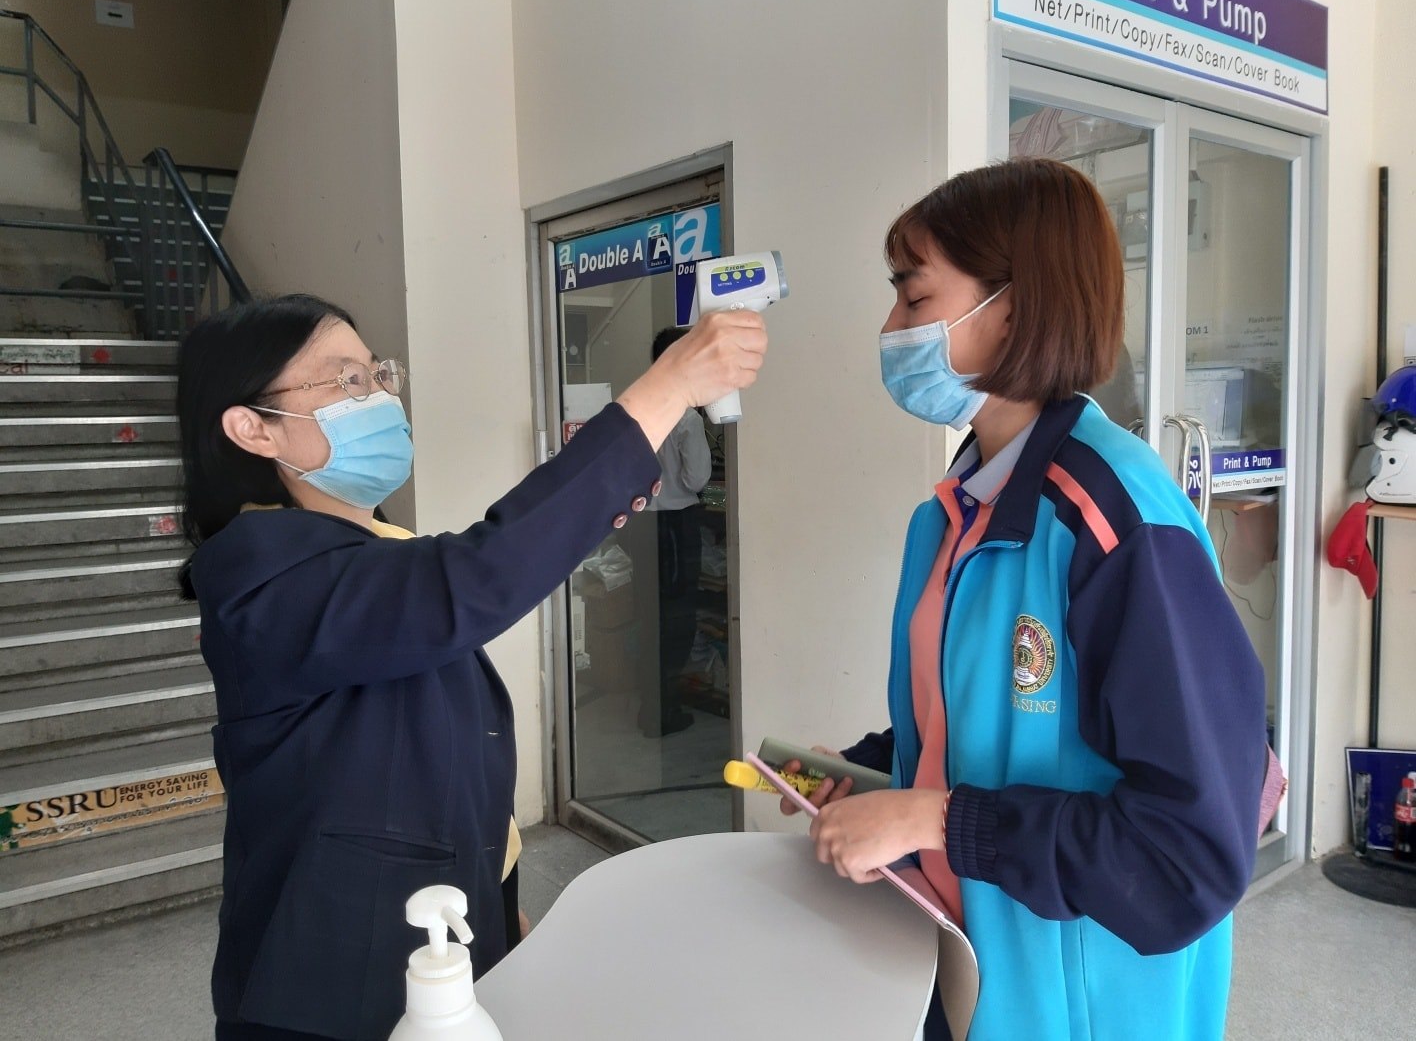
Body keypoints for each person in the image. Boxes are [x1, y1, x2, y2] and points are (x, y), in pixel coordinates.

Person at [177, 293, 766, 1041]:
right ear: (252, 428)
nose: (380, 397)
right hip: (331, 982)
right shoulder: (258, 573)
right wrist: (668, 386)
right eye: (348, 380)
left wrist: (494, 904)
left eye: (379, 375)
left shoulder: (373, 546)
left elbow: (432, 760)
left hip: (442, 933)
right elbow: (478, 577)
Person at [782, 158, 1266, 1041]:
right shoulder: (955, 511)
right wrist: (872, 774)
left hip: (1082, 1008)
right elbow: (986, 723)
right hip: (967, 961)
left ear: (1013, 307)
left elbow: (1185, 857)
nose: (889, 329)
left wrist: (932, 818)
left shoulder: (1117, 523)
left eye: (913, 298)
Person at [642, 325, 714, 737]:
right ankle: (665, 710)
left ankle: (650, 704)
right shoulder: (686, 417)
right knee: (678, 616)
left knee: (652, 614)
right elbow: (697, 479)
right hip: (677, 522)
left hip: (644, 523)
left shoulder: (639, 406)